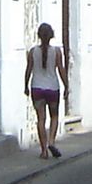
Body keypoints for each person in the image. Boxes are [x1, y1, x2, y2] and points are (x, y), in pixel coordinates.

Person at [27, 23, 67, 160]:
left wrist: (25, 86)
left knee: (41, 119)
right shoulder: (56, 52)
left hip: (37, 88)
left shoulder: (32, 52)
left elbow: (29, 70)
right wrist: (66, 86)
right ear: (51, 35)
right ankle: (51, 141)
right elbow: (61, 69)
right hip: (52, 89)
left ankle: (43, 150)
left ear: (38, 35)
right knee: (54, 116)